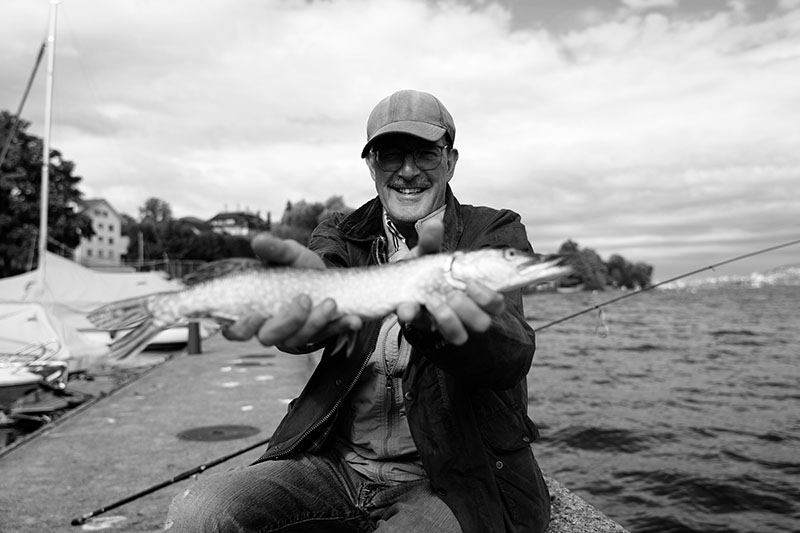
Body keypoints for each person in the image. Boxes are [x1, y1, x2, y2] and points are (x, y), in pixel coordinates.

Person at [165, 89, 551, 532]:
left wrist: (433, 322)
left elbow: (511, 352)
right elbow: (310, 318)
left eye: (425, 153)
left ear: (451, 160)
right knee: (199, 514)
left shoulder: (493, 230)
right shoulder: (341, 232)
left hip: (449, 476)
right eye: (390, 155)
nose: (408, 171)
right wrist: (302, 329)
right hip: (338, 464)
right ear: (371, 166)